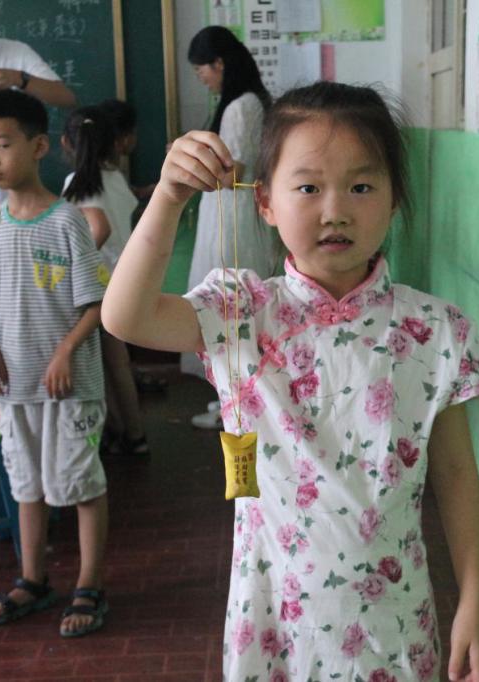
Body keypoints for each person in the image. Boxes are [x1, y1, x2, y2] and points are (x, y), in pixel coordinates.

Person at [104, 82, 479, 681]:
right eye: (308, 187)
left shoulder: (435, 330)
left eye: (361, 186)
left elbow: (458, 476)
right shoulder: (241, 313)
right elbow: (125, 317)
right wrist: (168, 196)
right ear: (264, 202)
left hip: (392, 623)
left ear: (394, 199)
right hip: (273, 623)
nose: (335, 210)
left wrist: (475, 600)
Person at [0, 90, 110, 638]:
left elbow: (96, 304)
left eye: (3, 145)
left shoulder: (67, 222)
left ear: (39, 147)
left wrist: (66, 351)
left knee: (80, 483)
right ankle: (33, 579)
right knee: (26, 484)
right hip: (14, 385)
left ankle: (89, 584)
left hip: (69, 388)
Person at [182, 26, 280, 425]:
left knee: (228, 307)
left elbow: (234, 172)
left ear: (219, 63)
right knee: (231, 308)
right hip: (232, 213)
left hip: (232, 217)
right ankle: (232, 400)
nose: (201, 77)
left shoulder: (241, 106)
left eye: (201, 69)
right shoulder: (251, 101)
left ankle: (238, 408)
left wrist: (191, 163)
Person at [61, 105, 149, 457]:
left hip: (98, 284)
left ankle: (121, 430)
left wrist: (75, 266)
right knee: (118, 363)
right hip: (125, 279)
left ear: (66, 143)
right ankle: (132, 433)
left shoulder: (77, 184)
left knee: (106, 364)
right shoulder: (114, 178)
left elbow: (100, 228)